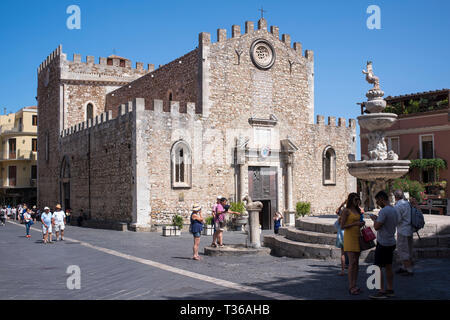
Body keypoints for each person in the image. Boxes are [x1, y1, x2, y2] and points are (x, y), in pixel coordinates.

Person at [369, 191, 399, 299]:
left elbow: (377, 227)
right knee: (388, 267)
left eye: (377, 200)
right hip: (391, 241)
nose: (377, 203)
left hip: (383, 242)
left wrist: (374, 219)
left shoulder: (384, 211)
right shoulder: (394, 210)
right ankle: (390, 289)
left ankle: (381, 291)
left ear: (382, 199)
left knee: (377, 267)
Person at [340, 193, 365, 295]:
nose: (357, 201)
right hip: (349, 237)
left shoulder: (358, 210)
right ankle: (351, 286)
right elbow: (342, 226)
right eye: (355, 200)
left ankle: (355, 284)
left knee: (357, 262)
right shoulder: (346, 211)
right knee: (352, 262)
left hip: (357, 235)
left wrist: (361, 224)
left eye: (358, 199)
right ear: (351, 200)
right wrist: (355, 224)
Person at [394, 190, 414, 276]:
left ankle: (409, 269)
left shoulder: (398, 206)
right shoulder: (407, 203)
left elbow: (397, 219)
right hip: (409, 229)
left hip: (402, 230)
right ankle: (404, 266)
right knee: (408, 249)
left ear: (395, 197)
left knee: (403, 250)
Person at [335, 200, 348, 276]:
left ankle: (343, 270)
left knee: (342, 254)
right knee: (351, 254)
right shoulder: (350, 217)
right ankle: (351, 269)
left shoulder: (340, 219)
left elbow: (335, 225)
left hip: (341, 237)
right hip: (349, 236)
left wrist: (341, 205)